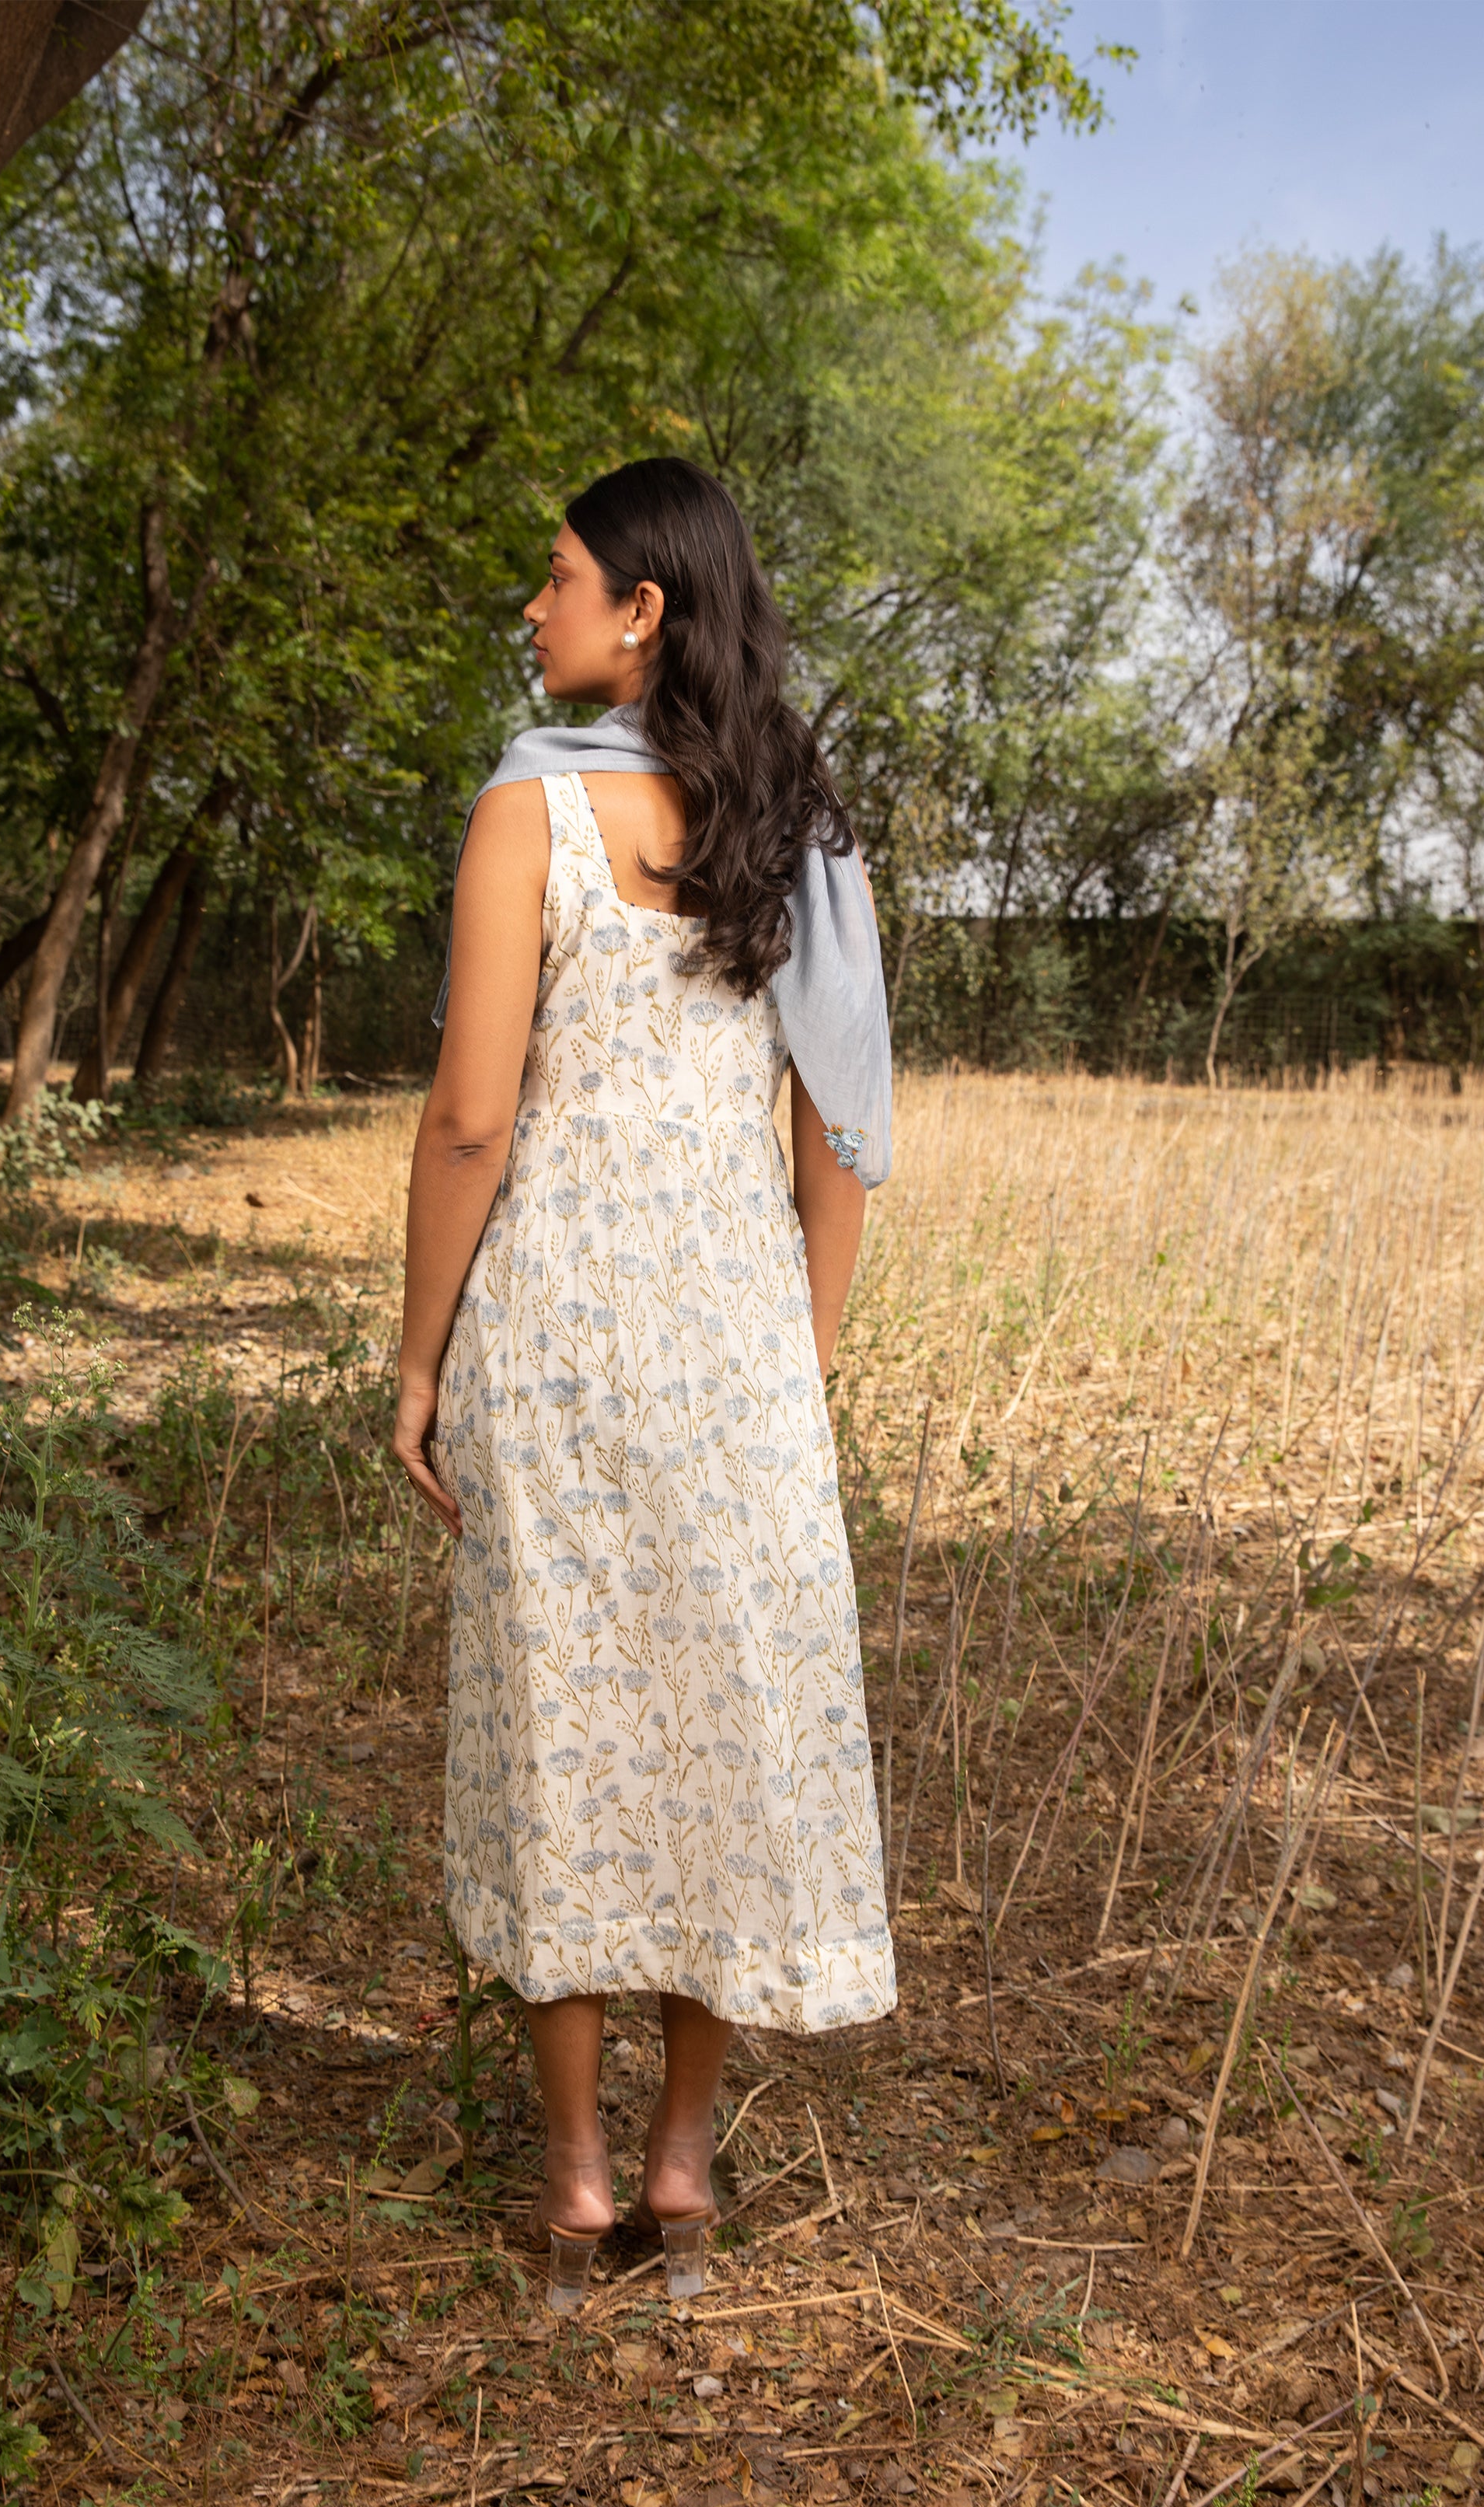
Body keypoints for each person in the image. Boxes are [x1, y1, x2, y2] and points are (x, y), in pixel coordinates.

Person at [393, 456, 896, 2313]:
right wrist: (803, 1363)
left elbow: (468, 1117)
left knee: (562, 1721)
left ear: (643, 609)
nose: (533, 612)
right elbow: (839, 1126)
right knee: (714, 1733)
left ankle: (579, 2179)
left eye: (554, 580)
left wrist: (419, 1353)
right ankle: (685, 2162)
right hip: (733, 1353)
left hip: (558, 1343)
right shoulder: (797, 822)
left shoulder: (527, 809)